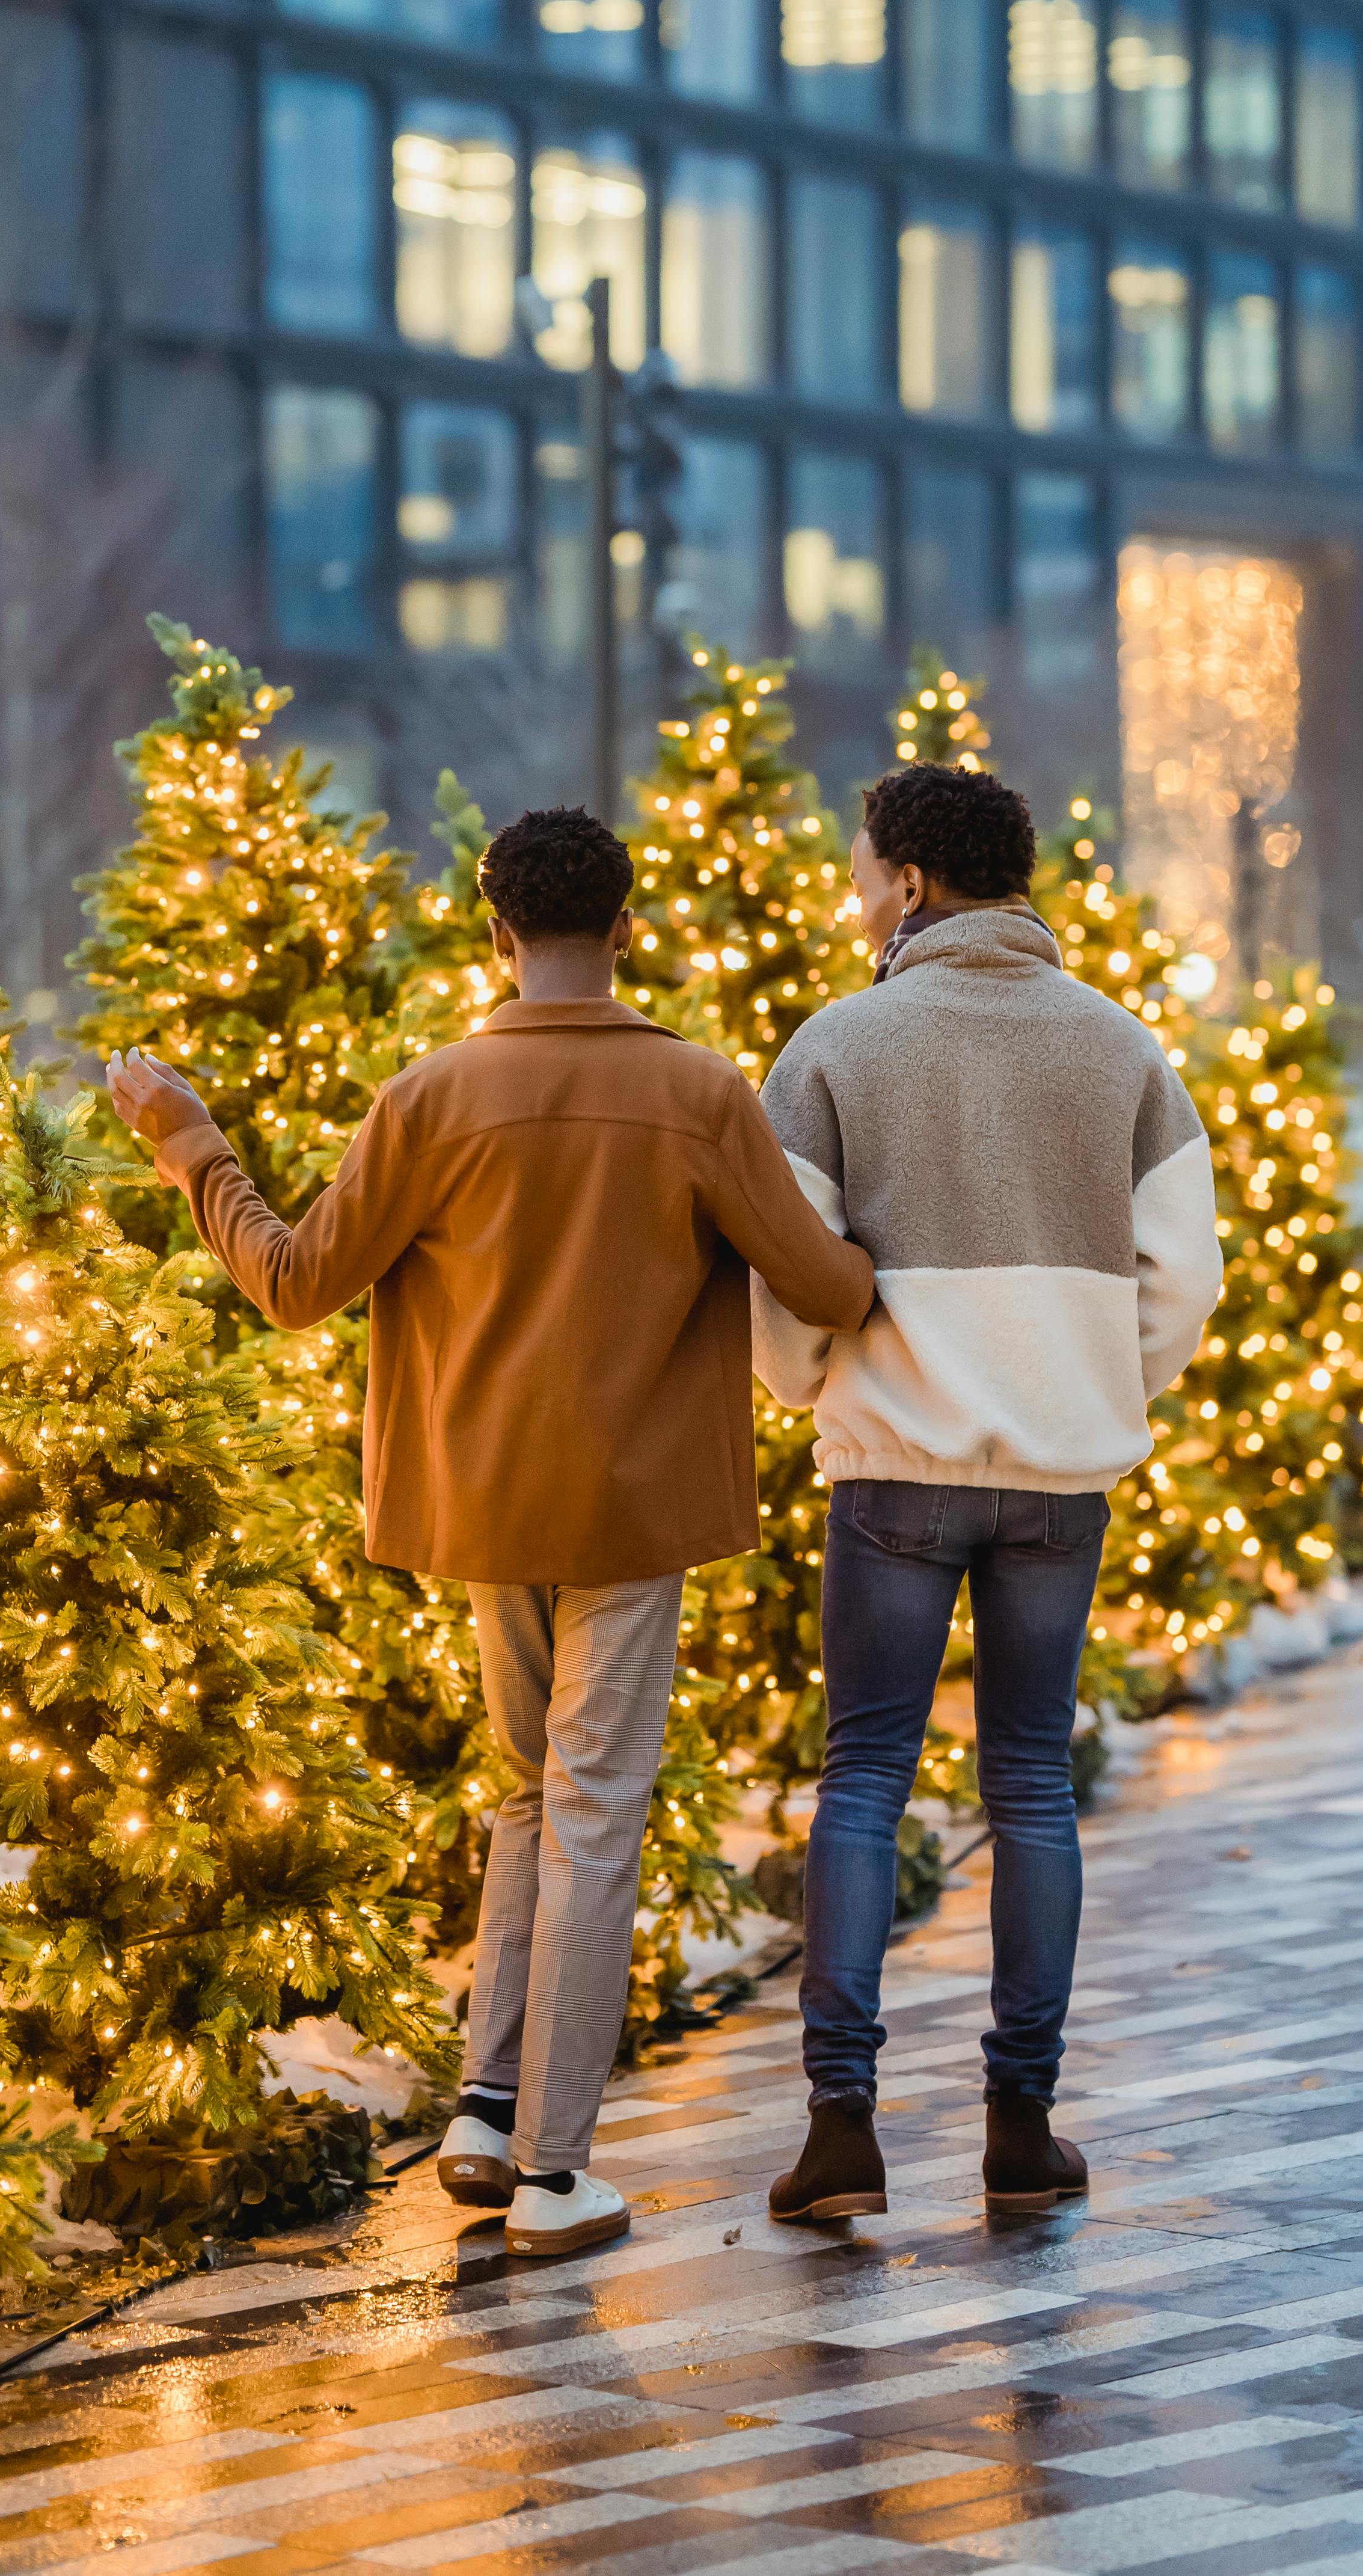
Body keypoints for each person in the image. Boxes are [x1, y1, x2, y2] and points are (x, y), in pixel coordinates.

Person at [108, 806, 874, 2263]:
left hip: (478, 1501)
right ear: (627, 927)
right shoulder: (700, 1095)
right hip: (634, 1507)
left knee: (531, 1793)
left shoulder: (429, 1097)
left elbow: (291, 1283)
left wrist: (190, 1140)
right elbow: (829, 1293)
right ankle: (555, 2175)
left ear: (494, 931)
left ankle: (484, 2110)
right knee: (592, 1808)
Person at [753, 762, 1222, 2224]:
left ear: (907, 882)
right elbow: (1184, 1277)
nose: (850, 887)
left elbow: (785, 1265)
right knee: (1028, 1783)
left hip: (893, 1458)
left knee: (865, 1777)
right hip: (1055, 1475)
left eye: (858, 864)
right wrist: (1095, 1383)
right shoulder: (1122, 1051)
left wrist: (801, 1383)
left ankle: (842, 2125)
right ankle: (1021, 2122)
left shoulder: (836, 1046)